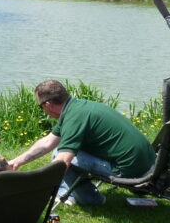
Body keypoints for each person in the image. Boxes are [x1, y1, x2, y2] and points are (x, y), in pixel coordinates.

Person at [9, 80, 155, 205]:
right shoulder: (76, 107)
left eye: (40, 106)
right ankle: (66, 191)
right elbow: (48, 141)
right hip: (150, 164)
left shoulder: (74, 118)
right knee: (60, 150)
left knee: (58, 155)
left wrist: (35, 189)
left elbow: (63, 161)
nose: (42, 110)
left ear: (48, 104)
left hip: (130, 171)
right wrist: (15, 163)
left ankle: (91, 199)